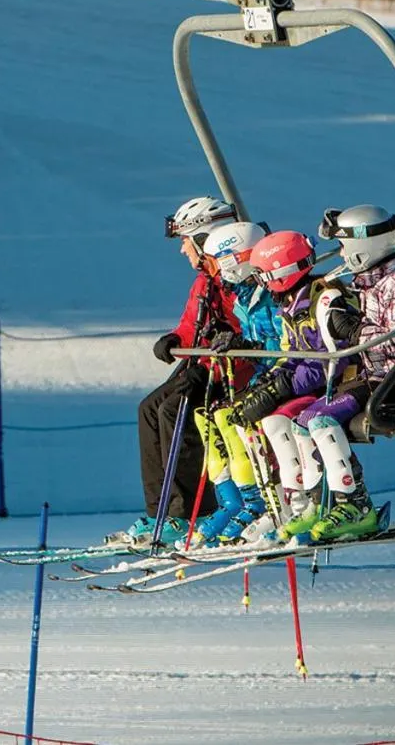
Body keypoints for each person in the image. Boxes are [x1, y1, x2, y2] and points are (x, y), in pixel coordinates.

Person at [106, 196, 244, 547]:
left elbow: (254, 321)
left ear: (204, 238)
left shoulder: (237, 275)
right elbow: (191, 325)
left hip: (232, 369)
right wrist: (174, 339)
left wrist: (232, 336)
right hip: (203, 363)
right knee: (149, 409)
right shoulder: (205, 281)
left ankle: (188, 514)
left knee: (176, 410)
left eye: (186, 241)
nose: (183, 250)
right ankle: (161, 512)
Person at [291, 203, 395, 542]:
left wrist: (354, 330)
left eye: (343, 245)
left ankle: (356, 505)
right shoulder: (366, 285)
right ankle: (318, 503)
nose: (340, 253)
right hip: (374, 378)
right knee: (303, 420)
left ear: (361, 248)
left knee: (322, 421)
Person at [227, 230, 361, 542]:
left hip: (338, 384)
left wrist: (284, 386)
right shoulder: (291, 307)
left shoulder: (323, 300)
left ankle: (326, 502)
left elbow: (330, 360)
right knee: (271, 420)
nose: (260, 283)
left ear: (281, 273)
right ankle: (297, 504)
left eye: (263, 276)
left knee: (301, 420)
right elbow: (291, 355)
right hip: (313, 386)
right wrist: (268, 384)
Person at [186, 220, 279, 547]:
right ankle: (237, 501)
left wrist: (248, 347)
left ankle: (266, 503)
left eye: (218, 263)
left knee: (244, 417)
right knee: (213, 416)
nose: (215, 272)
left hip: (282, 378)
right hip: (263, 375)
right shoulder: (243, 297)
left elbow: (281, 341)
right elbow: (257, 339)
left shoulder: (271, 294)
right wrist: (235, 339)